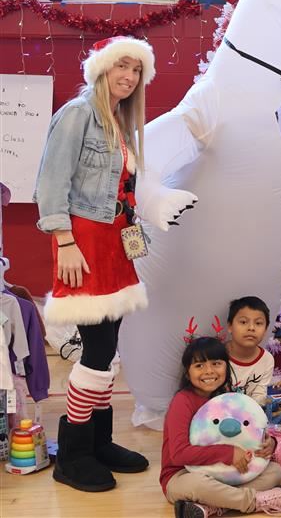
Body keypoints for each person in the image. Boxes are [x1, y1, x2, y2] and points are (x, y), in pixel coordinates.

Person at [34, 36, 194, 492]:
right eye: (121, 67)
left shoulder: (119, 122)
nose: (129, 77)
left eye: (136, 70)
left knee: (107, 346)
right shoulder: (78, 114)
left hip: (115, 242)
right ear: (101, 69)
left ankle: (99, 441)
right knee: (97, 349)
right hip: (82, 242)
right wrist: (64, 240)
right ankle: (74, 453)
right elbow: (50, 182)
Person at [162, 337, 281, 517]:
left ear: (226, 367)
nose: (209, 371)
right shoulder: (182, 401)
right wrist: (228, 453)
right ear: (187, 373)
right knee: (196, 484)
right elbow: (178, 454)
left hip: (226, 473)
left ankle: (214, 507)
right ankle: (258, 501)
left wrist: (269, 443)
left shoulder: (228, 398)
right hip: (182, 474)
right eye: (199, 366)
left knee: (275, 471)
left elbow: (250, 430)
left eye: (216, 363)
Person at [225, 296, 275, 407]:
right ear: (230, 326)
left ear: (266, 329)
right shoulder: (217, 354)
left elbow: (259, 396)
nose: (251, 328)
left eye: (258, 323)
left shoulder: (267, 359)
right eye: (243, 322)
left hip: (247, 417)